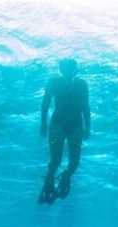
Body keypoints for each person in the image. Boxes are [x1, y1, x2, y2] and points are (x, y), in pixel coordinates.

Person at [38, 58, 90, 204]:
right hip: (57, 125)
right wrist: (43, 123)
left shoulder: (82, 84)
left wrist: (88, 126)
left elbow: (86, 106)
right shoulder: (54, 82)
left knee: (74, 162)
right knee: (55, 160)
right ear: (61, 69)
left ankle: (65, 177)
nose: (69, 71)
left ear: (76, 69)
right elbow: (45, 103)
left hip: (76, 126)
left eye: (72, 68)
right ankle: (49, 181)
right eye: (66, 68)